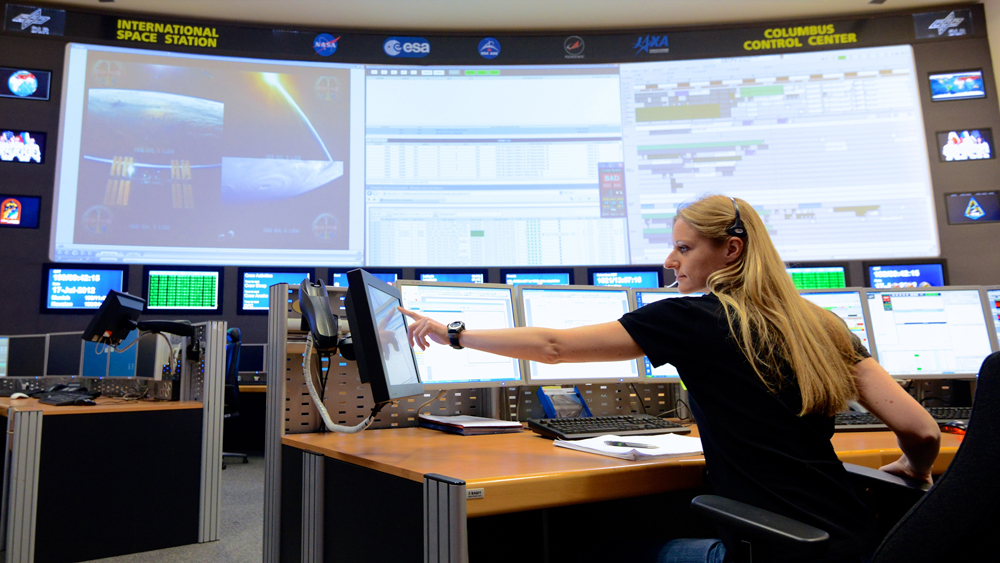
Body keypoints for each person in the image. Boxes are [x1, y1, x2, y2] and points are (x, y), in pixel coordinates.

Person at [400, 194, 940, 563]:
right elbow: (922, 430)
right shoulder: (823, 325)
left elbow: (554, 347)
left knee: (597, 547)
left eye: (684, 248)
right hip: (858, 542)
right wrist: (912, 472)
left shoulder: (693, 319)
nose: (668, 261)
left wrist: (452, 332)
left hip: (771, 548)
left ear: (729, 252)